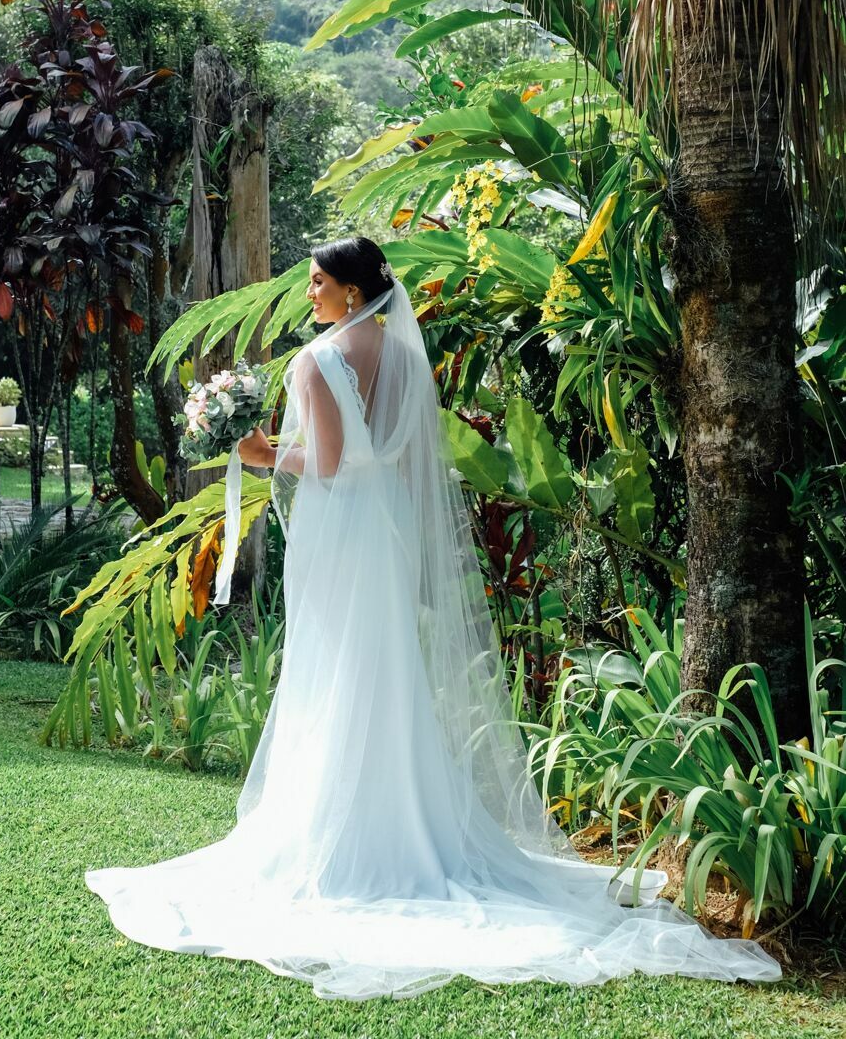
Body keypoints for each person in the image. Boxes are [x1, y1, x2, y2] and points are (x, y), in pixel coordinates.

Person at [85, 235, 782, 1000]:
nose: (309, 293)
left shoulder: (316, 361)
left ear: (351, 292)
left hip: (340, 532)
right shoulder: (406, 360)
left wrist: (254, 452)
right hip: (380, 531)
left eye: (318, 283)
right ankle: (401, 816)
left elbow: (319, 462)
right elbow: (398, 462)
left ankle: (344, 832)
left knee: (337, 666)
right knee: (381, 667)